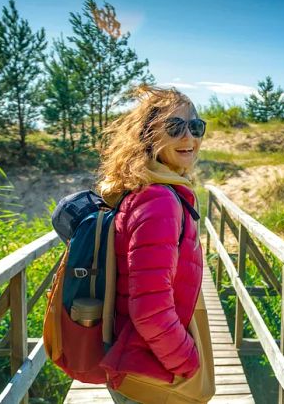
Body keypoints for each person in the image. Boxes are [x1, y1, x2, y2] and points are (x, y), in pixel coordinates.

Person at [95, 85, 209, 403]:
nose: (189, 137)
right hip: (150, 370)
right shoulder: (158, 200)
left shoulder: (148, 190)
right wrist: (187, 361)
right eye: (174, 127)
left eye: (196, 126)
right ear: (149, 136)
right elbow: (149, 310)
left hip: (139, 358)